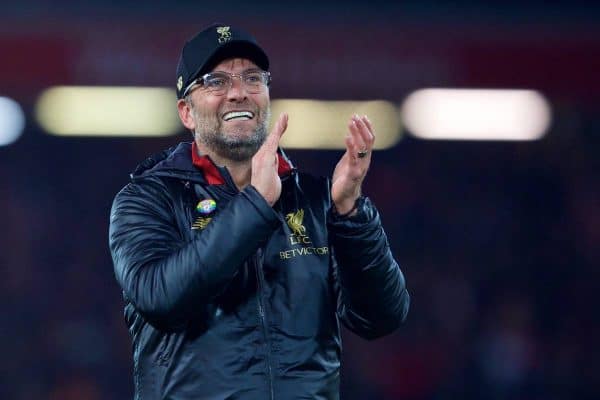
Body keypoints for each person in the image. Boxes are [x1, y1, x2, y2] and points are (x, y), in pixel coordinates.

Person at [109, 23, 410, 400]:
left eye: (253, 78)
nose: (238, 93)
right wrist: (255, 203)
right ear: (186, 111)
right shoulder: (148, 199)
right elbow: (160, 298)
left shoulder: (316, 199)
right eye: (216, 82)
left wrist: (350, 214)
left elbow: (381, 317)